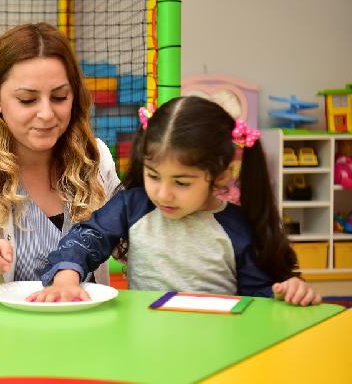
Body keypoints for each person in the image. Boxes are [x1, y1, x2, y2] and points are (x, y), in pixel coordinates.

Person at [29, 96, 321, 306]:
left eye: (181, 182)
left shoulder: (237, 228)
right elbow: (89, 236)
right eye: (153, 176)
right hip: (146, 345)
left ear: (220, 176)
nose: (163, 193)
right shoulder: (134, 206)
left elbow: (259, 300)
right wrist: (67, 275)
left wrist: (287, 292)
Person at [0, 22, 121, 288]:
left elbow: (130, 242)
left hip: (85, 325)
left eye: (60, 97)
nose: (47, 114)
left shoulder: (95, 160)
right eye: (28, 100)